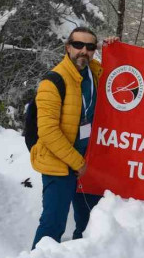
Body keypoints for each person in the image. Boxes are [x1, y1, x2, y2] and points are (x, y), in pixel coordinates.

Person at [31, 28, 113, 248]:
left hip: (86, 162)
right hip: (59, 164)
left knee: (90, 223)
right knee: (53, 225)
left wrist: (114, 47)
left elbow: (121, 72)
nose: (83, 51)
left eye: (90, 47)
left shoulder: (93, 74)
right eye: (78, 45)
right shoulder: (53, 82)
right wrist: (77, 162)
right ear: (67, 47)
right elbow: (47, 132)